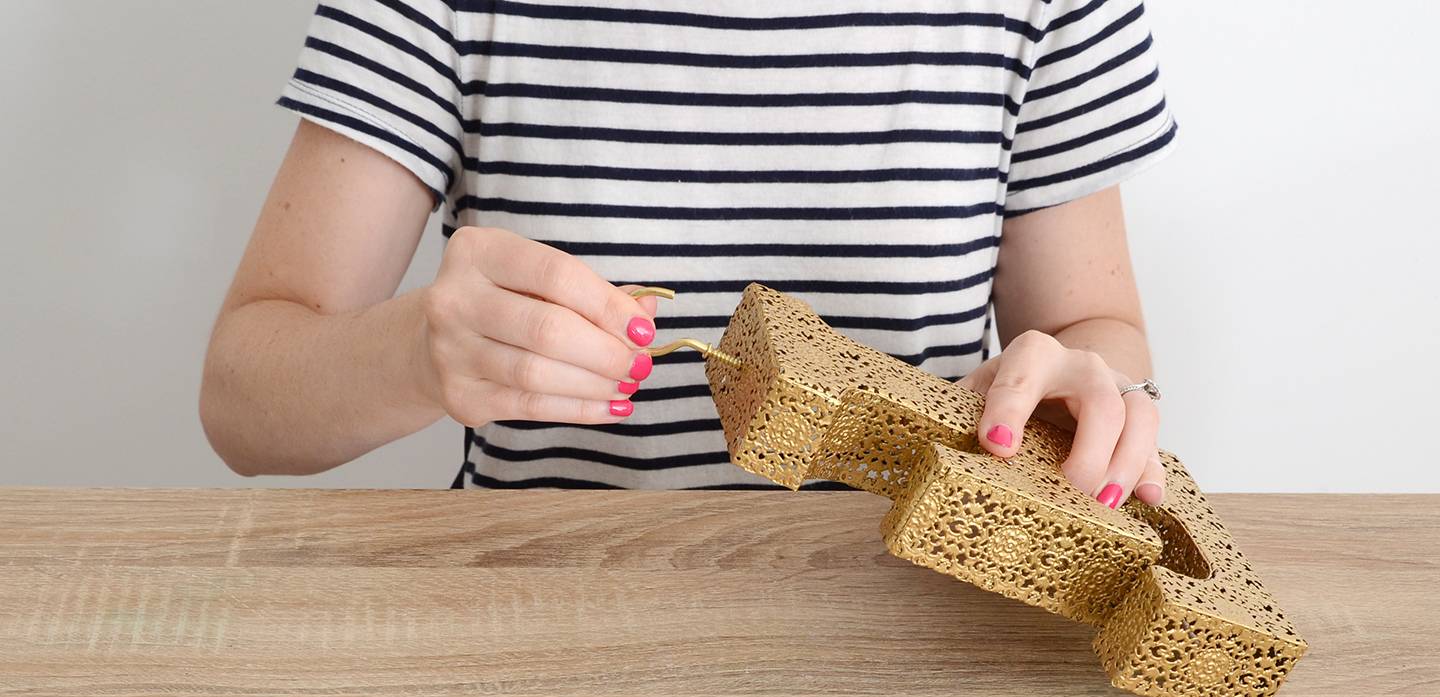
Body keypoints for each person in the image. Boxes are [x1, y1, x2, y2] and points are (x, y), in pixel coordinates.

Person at [201, 0, 1176, 506]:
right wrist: (417, 353)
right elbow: (244, 404)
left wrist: (1084, 403)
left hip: (930, 645)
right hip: (539, 659)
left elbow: (1098, 332)